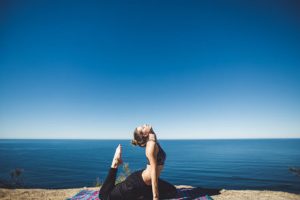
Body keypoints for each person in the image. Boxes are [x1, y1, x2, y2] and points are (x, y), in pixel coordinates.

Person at [99, 124, 177, 200]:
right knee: (105, 196)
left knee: (172, 191)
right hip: (136, 184)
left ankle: (141, 195)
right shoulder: (151, 145)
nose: (145, 124)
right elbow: (154, 172)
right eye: (143, 127)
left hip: (145, 179)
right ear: (145, 134)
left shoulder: (153, 139)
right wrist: (155, 197)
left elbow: (152, 135)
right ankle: (115, 163)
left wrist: (151, 131)